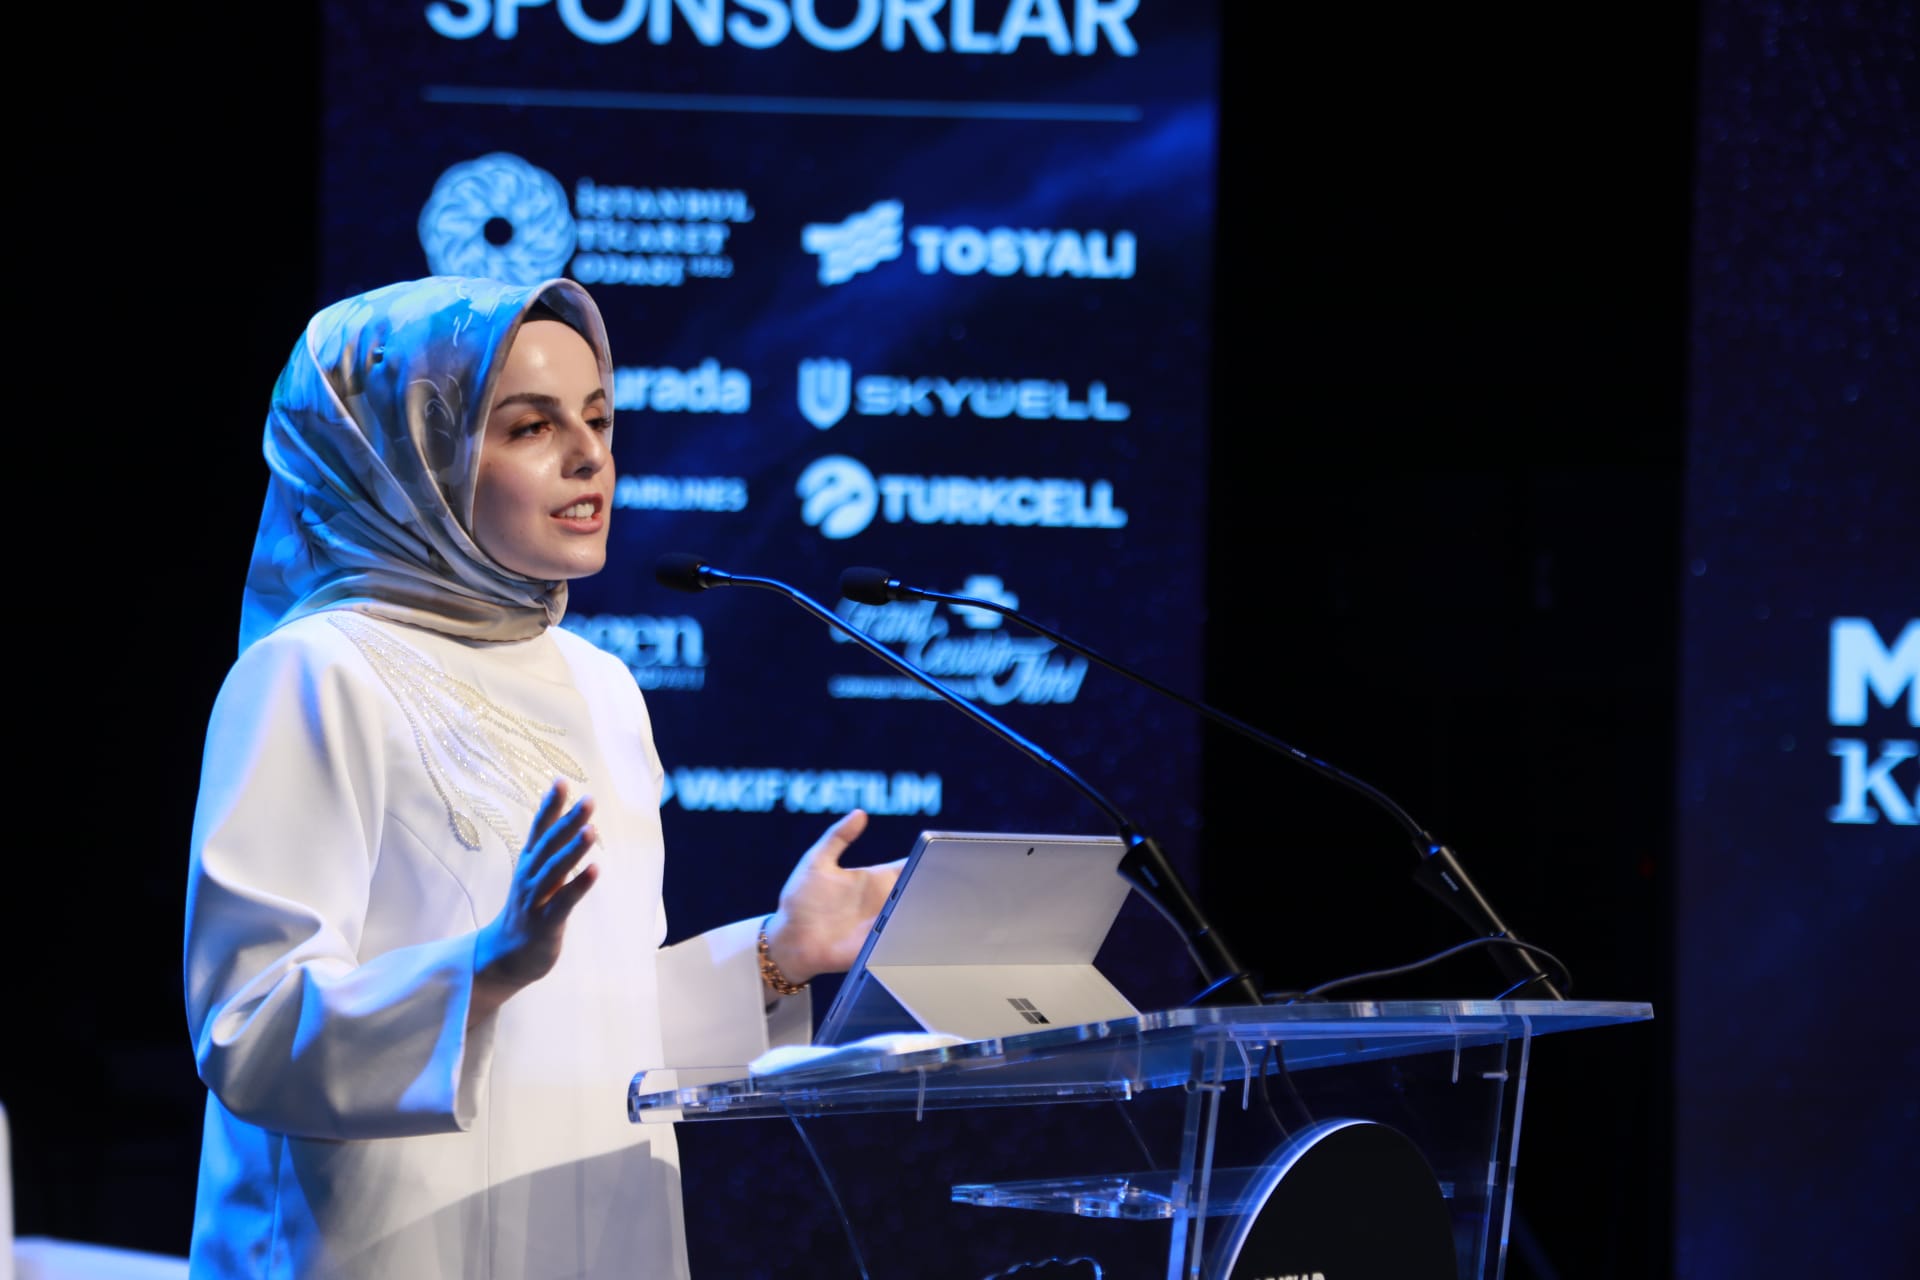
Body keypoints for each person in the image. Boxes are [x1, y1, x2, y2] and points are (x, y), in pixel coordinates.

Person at [182, 275, 899, 1278]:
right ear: (412, 459)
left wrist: (780, 954)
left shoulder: (601, 684)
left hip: (599, 1230)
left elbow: (596, 1017)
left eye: (598, 419)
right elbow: (248, 1031)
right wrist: (484, 967)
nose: (589, 455)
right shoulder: (314, 670)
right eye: (530, 426)